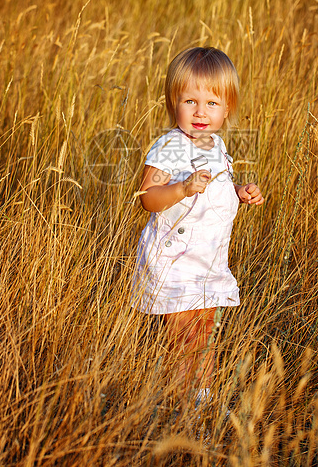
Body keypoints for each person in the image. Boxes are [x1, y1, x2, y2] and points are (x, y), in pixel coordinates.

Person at [131, 46, 264, 406]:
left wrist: (240, 192)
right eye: (190, 101)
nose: (200, 112)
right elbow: (147, 197)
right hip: (176, 261)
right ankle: (178, 403)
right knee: (183, 338)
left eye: (212, 104)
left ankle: (201, 401)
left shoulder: (217, 145)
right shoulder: (171, 146)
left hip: (208, 260)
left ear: (227, 108)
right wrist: (181, 188)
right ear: (174, 101)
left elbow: (215, 189)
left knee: (205, 333)